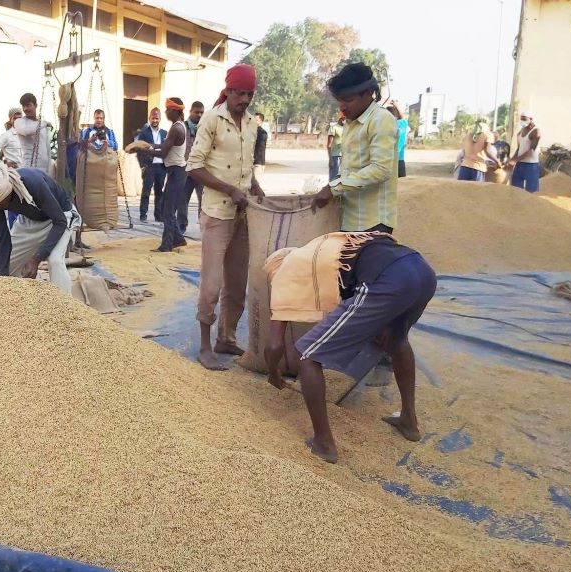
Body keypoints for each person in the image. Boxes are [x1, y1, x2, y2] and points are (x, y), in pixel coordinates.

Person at [263, 231, 436, 464]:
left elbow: (275, 345)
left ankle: (323, 444)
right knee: (397, 341)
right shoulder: (324, 250)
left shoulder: (289, 270)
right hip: (421, 270)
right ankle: (409, 420)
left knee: (307, 354)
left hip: (389, 279)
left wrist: (273, 375)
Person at [186, 64, 265, 371]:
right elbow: (193, 166)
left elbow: (247, 168)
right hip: (218, 213)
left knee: (237, 283)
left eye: (250, 94)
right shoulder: (211, 120)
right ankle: (205, 346)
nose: (245, 99)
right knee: (212, 283)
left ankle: (226, 338)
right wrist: (229, 189)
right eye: (240, 93)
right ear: (229, 91)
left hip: (243, 214)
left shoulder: (251, 124)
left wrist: (255, 188)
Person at [312, 64, 397, 234]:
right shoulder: (351, 123)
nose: (342, 107)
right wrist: (333, 185)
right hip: (350, 219)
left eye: (348, 100)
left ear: (367, 93)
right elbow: (350, 168)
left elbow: (380, 170)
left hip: (373, 222)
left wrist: (333, 188)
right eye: (340, 100)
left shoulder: (381, 119)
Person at [0, 162, 75, 293]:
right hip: (31, 220)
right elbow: (2, 238)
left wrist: (36, 258)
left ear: (5, 191)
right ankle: (16, 302)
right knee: (6, 269)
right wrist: (1, 280)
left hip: (61, 216)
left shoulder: (32, 183)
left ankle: (65, 308)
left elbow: (60, 222)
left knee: (54, 260)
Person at [144, 98, 189, 252]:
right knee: (165, 206)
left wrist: (145, 150)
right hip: (176, 171)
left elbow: (163, 153)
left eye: (168, 109)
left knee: (168, 210)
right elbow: (164, 145)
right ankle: (178, 239)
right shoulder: (178, 126)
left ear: (174, 111)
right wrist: (149, 145)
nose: (166, 112)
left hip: (177, 172)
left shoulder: (176, 129)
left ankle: (167, 244)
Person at [136, 108, 167, 222]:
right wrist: (142, 165)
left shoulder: (165, 133)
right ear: (149, 119)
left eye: (157, 118)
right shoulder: (144, 133)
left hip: (161, 167)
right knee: (146, 191)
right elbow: (139, 150)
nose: (155, 120)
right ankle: (143, 214)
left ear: (160, 119)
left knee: (159, 192)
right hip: (149, 166)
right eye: (153, 118)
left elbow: (167, 149)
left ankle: (158, 215)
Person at [15, 93, 53, 173]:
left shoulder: (42, 126)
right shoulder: (19, 122)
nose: (25, 109)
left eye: (28, 105)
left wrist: (49, 170)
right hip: (29, 169)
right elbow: (26, 131)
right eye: (23, 106)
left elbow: (48, 150)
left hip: (44, 171)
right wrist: (44, 123)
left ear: (36, 105)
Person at [182, 100, 205, 230]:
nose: (199, 115)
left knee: (204, 202)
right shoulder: (183, 127)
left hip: (201, 171)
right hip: (186, 171)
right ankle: (181, 228)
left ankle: (203, 227)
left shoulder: (205, 128)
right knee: (183, 201)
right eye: (197, 112)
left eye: (202, 112)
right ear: (191, 112)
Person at [506, 112, 541, 193]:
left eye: (524, 119)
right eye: (521, 119)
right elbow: (519, 149)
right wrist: (512, 159)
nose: (522, 121)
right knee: (515, 189)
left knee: (531, 192)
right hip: (520, 164)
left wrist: (515, 160)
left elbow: (531, 151)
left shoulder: (536, 131)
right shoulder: (521, 132)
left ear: (531, 119)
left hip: (531, 166)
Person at [386, 102, 409, 178]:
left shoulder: (386, 125)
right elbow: (403, 117)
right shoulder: (402, 124)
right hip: (400, 159)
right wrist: (397, 105)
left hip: (388, 160)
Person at [326, 115, 345, 181]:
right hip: (335, 156)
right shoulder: (333, 128)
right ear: (341, 118)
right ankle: (331, 190)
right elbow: (329, 145)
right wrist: (330, 159)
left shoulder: (347, 128)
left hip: (344, 156)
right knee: (334, 177)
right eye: (345, 118)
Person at [253, 113, 268, 182]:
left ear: (261, 121)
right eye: (254, 119)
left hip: (258, 163)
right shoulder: (251, 132)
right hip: (250, 163)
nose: (254, 121)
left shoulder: (262, 133)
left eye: (256, 120)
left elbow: (261, 149)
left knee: (256, 185)